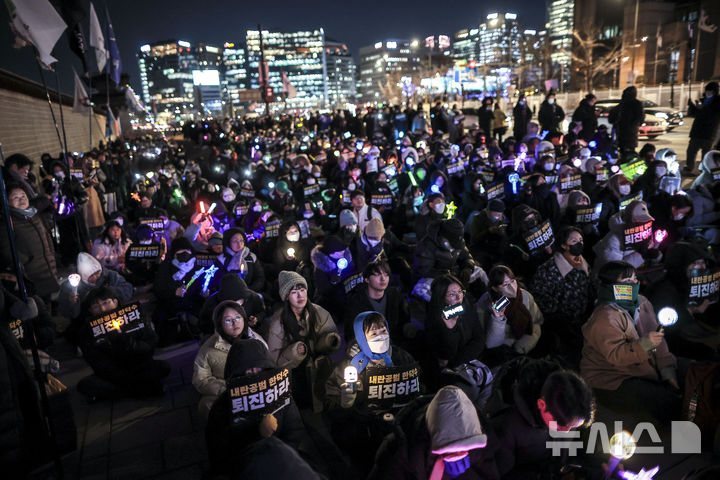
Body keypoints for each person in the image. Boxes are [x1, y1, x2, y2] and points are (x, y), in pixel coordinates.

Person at [581, 261, 680, 423]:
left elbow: (659, 340)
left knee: (689, 372)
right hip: (611, 378)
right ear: (611, 286)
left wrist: (667, 370)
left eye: (635, 279)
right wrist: (646, 344)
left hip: (642, 366)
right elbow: (617, 356)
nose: (634, 284)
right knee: (665, 401)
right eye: (627, 282)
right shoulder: (604, 317)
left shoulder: (641, 301)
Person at [325, 312, 417, 471]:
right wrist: (345, 402)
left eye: (383, 331)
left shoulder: (401, 357)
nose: (381, 336)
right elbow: (331, 410)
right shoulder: (348, 367)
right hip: (365, 435)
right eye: (374, 333)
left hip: (401, 427)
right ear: (362, 337)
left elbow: (418, 386)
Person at [204, 338, 308, 477]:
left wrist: (280, 459)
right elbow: (220, 454)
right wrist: (258, 435)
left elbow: (295, 430)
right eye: (247, 372)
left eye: (259, 369)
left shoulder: (281, 393)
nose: (254, 375)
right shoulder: (222, 408)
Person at [368, 385, 499, 480]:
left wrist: (464, 475)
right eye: (451, 447)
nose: (458, 454)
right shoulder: (400, 450)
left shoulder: (483, 447)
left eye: (466, 446)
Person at [489, 361, 594, 478]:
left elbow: (566, 455)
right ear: (542, 404)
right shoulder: (506, 428)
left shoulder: (565, 415)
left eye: (574, 427)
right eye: (560, 425)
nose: (566, 431)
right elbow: (497, 475)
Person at [76, 286, 170, 400]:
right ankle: (138, 388)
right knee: (85, 386)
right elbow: (96, 361)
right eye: (96, 306)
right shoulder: (87, 331)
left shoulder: (135, 315)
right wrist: (120, 375)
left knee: (163, 367)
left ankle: (127, 391)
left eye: (106, 302)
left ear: (115, 302)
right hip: (114, 375)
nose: (103, 309)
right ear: (90, 311)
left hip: (139, 365)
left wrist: (129, 344)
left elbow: (151, 342)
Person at [266, 271, 341, 409]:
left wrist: (329, 342)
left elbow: (332, 343)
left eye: (302, 290)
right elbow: (275, 360)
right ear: (286, 296)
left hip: (320, 372)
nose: (300, 295)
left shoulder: (320, 313)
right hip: (294, 378)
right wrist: (295, 352)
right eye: (294, 292)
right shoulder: (278, 322)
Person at [192, 300, 267, 419]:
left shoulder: (257, 341)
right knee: (206, 405)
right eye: (228, 320)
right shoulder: (208, 349)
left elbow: (269, 366)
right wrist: (227, 388)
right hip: (227, 393)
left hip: (256, 389)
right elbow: (200, 380)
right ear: (219, 324)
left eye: (238, 317)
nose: (234, 323)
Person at [530, 227, 591, 361]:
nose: (579, 243)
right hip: (561, 326)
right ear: (564, 245)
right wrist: (560, 314)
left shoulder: (582, 262)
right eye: (574, 240)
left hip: (580, 319)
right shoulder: (549, 269)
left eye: (581, 240)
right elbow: (539, 296)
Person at [0, 184, 59, 301]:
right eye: (15, 197)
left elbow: (47, 237)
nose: (21, 199)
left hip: (49, 269)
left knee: (50, 302)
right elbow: (7, 250)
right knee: (38, 305)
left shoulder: (34, 215)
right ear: (7, 201)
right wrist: (26, 262)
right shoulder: (7, 222)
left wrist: (52, 255)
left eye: (23, 196)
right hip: (31, 275)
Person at [478, 265, 544, 361]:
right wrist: (497, 319)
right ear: (495, 288)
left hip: (526, 334)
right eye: (505, 285)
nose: (513, 288)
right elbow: (490, 343)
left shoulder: (525, 295)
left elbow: (537, 318)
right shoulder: (485, 305)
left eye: (513, 281)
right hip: (502, 344)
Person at [343, 261, 409, 343]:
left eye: (386, 274)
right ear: (367, 279)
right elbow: (350, 332)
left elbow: (404, 322)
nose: (383, 279)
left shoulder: (395, 296)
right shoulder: (356, 301)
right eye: (377, 275)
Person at [199, 274, 267, 337]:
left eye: (240, 303)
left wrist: (257, 319)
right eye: (233, 304)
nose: (237, 307)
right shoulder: (212, 304)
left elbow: (262, 312)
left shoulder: (252, 297)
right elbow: (203, 325)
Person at [686, 81, 720, 173]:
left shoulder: (717, 102)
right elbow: (695, 114)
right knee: (691, 151)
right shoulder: (703, 100)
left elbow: (709, 113)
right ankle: (689, 167)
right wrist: (692, 106)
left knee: (706, 154)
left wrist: (701, 108)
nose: (708, 93)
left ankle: (704, 169)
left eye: (711, 91)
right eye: (707, 91)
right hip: (697, 131)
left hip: (709, 132)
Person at [608, 86, 644, 153]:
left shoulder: (621, 104)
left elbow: (612, 118)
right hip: (630, 131)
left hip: (622, 130)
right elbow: (640, 117)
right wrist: (636, 124)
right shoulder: (637, 104)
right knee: (630, 150)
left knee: (623, 149)